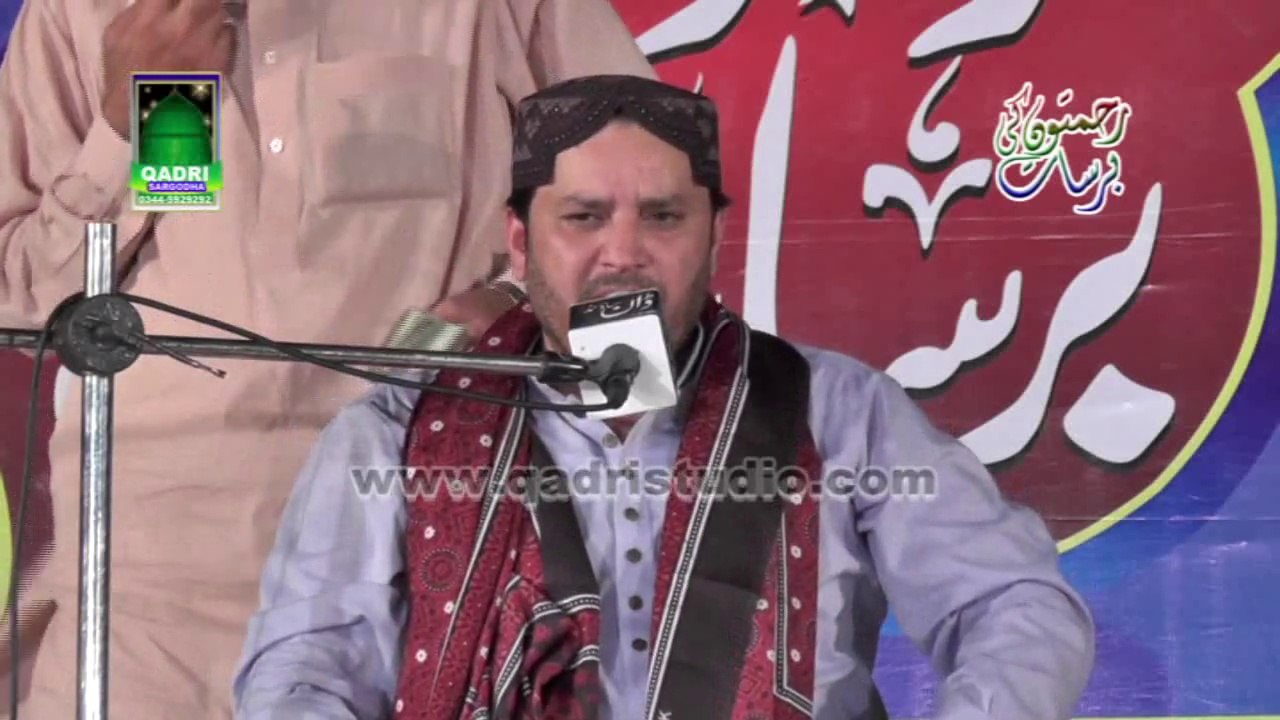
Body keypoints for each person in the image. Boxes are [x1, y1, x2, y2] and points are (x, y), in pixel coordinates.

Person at [233, 74, 1096, 720]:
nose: (624, 252)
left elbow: (1012, 605)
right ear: (518, 238)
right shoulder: (397, 433)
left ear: (715, 233)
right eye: (582, 218)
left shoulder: (840, 411)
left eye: (662, 216)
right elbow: (308, 669)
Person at [0, 0, 655, 716]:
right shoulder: (81, 11)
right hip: (148, 585)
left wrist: (512, 304)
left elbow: (653, 219)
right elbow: (22, 304)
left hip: (419, 566)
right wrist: (121, 131)